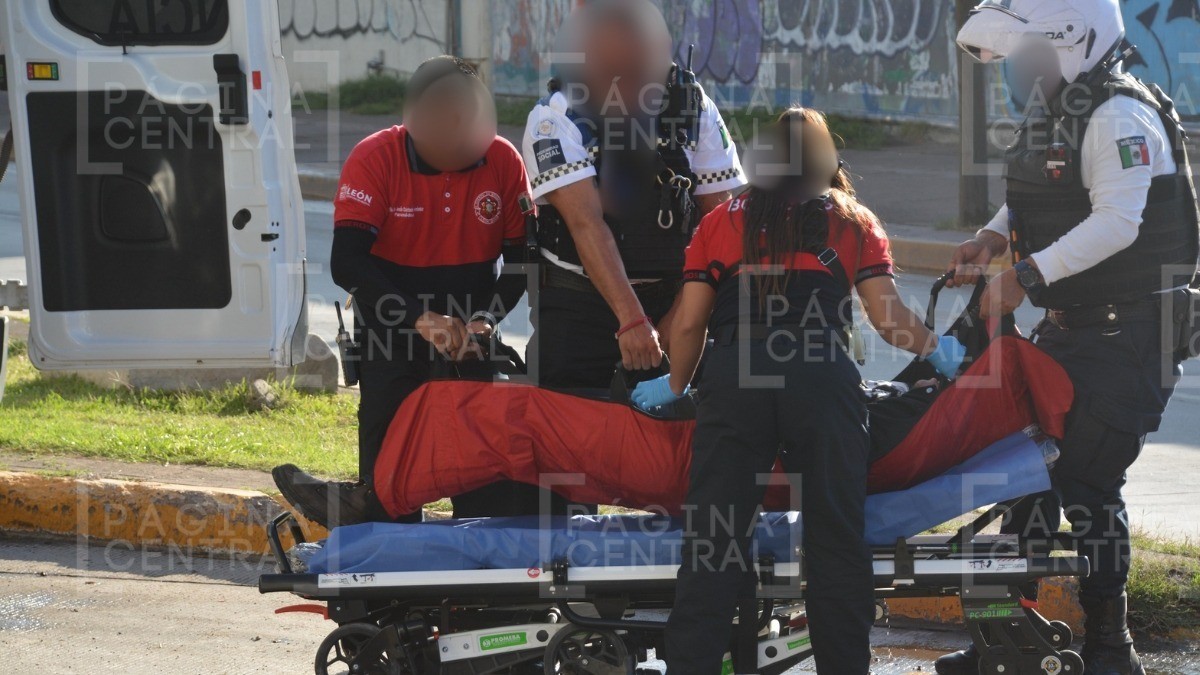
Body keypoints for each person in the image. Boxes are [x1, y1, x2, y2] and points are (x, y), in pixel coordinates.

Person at [630, 108, 968, 675]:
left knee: (714, 545)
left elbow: (688, 325)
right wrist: (936, 349)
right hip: (820, 378)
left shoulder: (721, 220)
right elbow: (888, 318)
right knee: (836, 543)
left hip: (736, 378)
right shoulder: (854, 220)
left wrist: (676, 383)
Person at [939, 1, 1199, 673]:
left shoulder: (1120, 115)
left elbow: (1118, 220)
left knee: (1087, 479)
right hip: (1070, 329)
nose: (1022, 69)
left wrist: (1026, 274)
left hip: (1129, 335)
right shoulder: (1062, 107)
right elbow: (1039, 185)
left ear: (1073, 41)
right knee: (1021, 472)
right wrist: (993, 235)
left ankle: (1112, 646)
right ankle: (1003, 638)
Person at [272, 56, 537, 528]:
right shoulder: (375, 157)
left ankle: (478, 571)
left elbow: (521, 261)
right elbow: (347, 262)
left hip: (469, 338)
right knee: (389, 495)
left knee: (484, 494)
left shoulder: (503, 160)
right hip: (390, 334)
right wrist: (419, 318)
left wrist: (486, 320)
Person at [522, 0, 746, 390]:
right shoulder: (555, 116)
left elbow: (721, 222)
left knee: (698, 418)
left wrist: (685, 315)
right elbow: (586, 224)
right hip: (581, 308)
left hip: (676, 298)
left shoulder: (694, 107)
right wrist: (632, 320)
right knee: (567, 418)